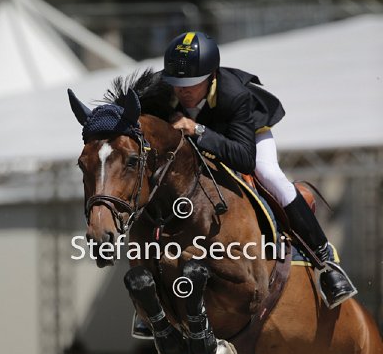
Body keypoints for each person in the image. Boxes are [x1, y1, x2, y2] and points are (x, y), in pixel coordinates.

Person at [132, 31, 356, 338]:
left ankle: (324, 262)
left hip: (245, 137)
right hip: (193, 141)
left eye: (191, 84)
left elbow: (244, 158)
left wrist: (198, 130)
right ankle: (149, 300)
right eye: (177, 84)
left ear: (211, 76)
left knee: (270, 175)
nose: (182, 92)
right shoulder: (162, 89)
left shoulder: (235, 95)